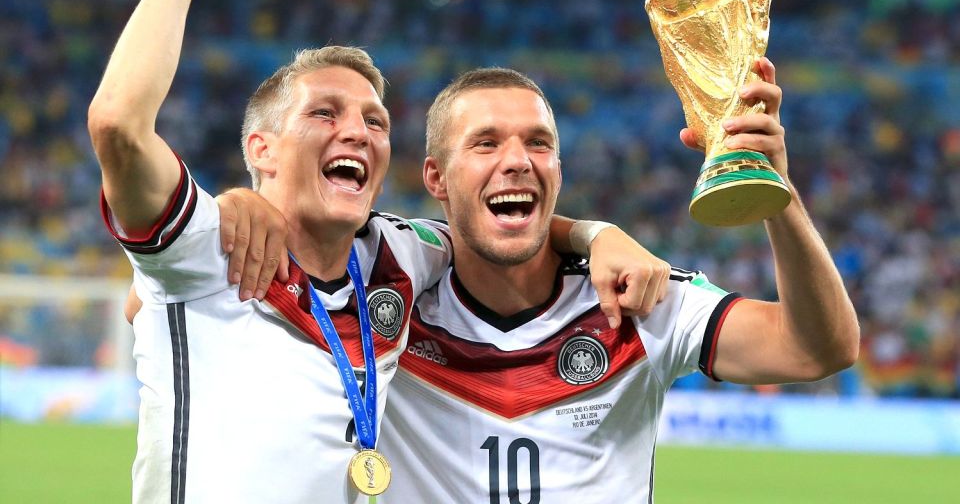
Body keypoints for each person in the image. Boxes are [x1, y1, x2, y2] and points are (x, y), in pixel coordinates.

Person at [94, 0, 668, 503]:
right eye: (325, 114)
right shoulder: (210, 246)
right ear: (261, 149)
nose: (357, 132)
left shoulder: (402, 254)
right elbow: (118, 126)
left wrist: (596, 234)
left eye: (375, 122)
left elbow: (494, 226)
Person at [218, 62, 859, 502]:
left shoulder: (638, 297)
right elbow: (157, 300)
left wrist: (777, 194)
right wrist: (246, 208)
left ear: (558, 167)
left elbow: (817, 348)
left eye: (538, 143)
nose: (517, 161)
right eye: (486, 143)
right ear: (437, 179)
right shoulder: (388, 290)